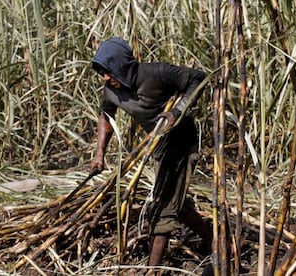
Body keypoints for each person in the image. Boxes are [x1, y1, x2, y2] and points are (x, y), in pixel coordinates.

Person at [90, 37, 212, 273]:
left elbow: (200, 78)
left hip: (181, 143)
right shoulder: (111, 90)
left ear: (122, 65)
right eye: (102, 72)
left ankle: (152, 270)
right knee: (178, 205)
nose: (105, 77)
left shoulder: (156, 73)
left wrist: (177, 112)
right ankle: (217, 243)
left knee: (162, 205)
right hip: (159, 148)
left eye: (109, 70)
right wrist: (99, 154)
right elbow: (106, 116)